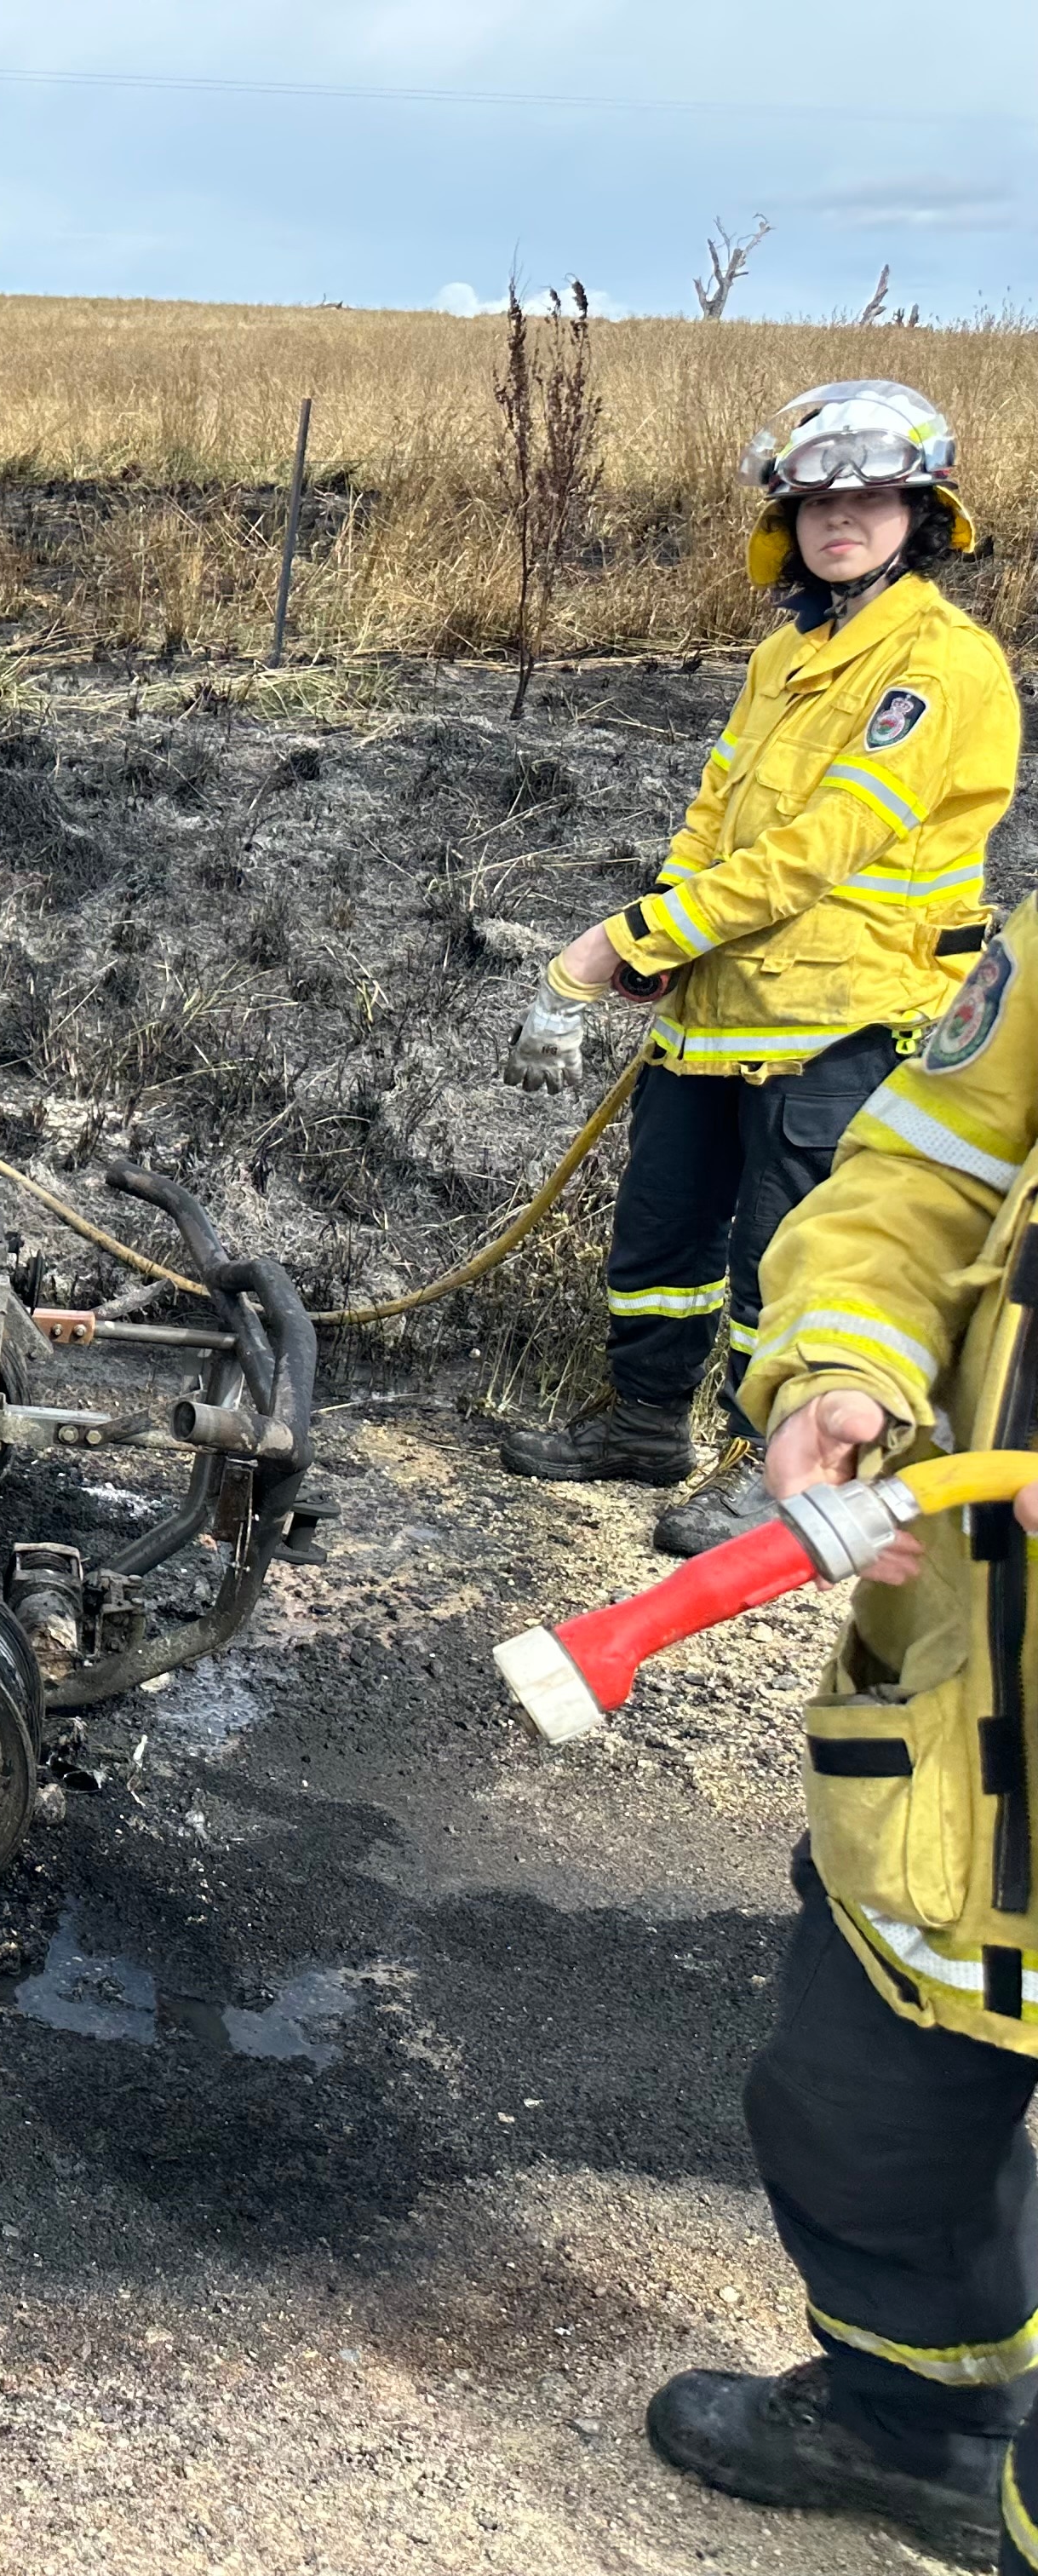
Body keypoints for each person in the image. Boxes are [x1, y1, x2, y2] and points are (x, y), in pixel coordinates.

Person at [655, 875, 1038, 2570]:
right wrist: (846, 1362)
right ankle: (913, 2426)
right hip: (969, 1699)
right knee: (857, 2092)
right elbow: (921, 1168)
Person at [499, 379, 1013, 1555]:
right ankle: (642, 1425)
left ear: (922, 512)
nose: (847, 519)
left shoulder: (935, 664)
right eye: (822, 500)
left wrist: (616, 945)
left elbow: (819, 851)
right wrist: (669, 934)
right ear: (787, 520)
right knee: (662, 1233)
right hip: (723, 1007)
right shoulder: (791, 649)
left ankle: (764, 1465)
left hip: (851, 1016)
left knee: (785, 1255)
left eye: (876, 497)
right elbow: (718, 814)